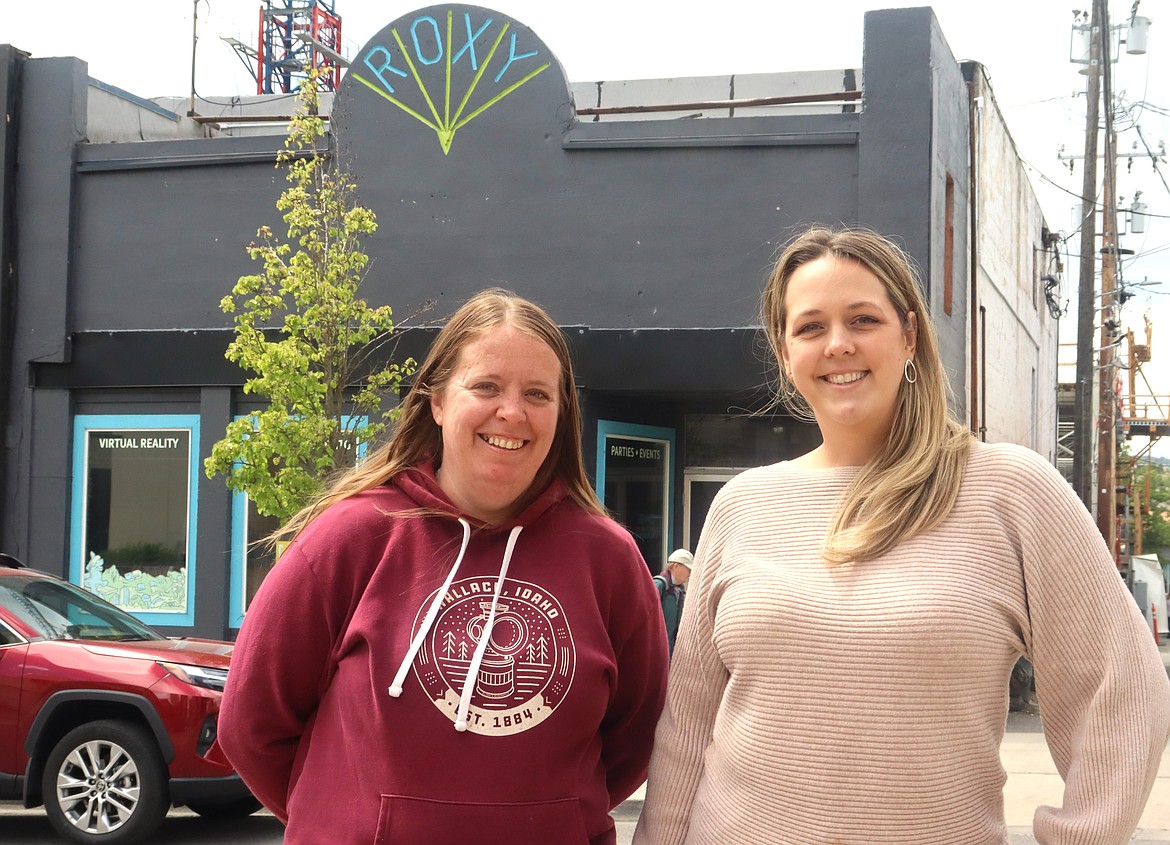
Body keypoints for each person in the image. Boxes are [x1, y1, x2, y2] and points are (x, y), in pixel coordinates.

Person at [633, 227, 1170, 845]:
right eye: (810, 327)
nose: (838, 344)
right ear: (785, 352)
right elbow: (689, 726)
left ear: (909, 335)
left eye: (863, 319)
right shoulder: (741, 505)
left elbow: (1123, 690)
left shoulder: (1011, 491)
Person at [217, 288, 669, 845]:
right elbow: (252, 723)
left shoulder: (609, 560)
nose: (512, 412)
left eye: (537, 393)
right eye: (486, 386)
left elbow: (635, 738)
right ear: (436, 401)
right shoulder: (350, 537)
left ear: (562, 412)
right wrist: (344, 816)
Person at [654, 549, 692, 655]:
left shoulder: (679, 591)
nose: (690, 573)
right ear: (675, 565)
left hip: (668, 651)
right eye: (688, 569)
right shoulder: (659, 585)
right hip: (654, 650)